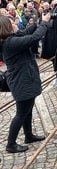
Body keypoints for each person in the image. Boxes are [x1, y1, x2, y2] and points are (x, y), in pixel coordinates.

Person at [0, 13, 51, 153]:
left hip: (24, 79)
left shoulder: (11, 38)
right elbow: (34, 38)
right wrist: (44, 23)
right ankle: (11, 144)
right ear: (7, 27)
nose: (15, 23)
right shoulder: (11, 43)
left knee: (28, 109)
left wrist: (37, 22)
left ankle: (28, 135)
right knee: (21, 113)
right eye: (11, 22)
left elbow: (27, 32)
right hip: (22, 81)